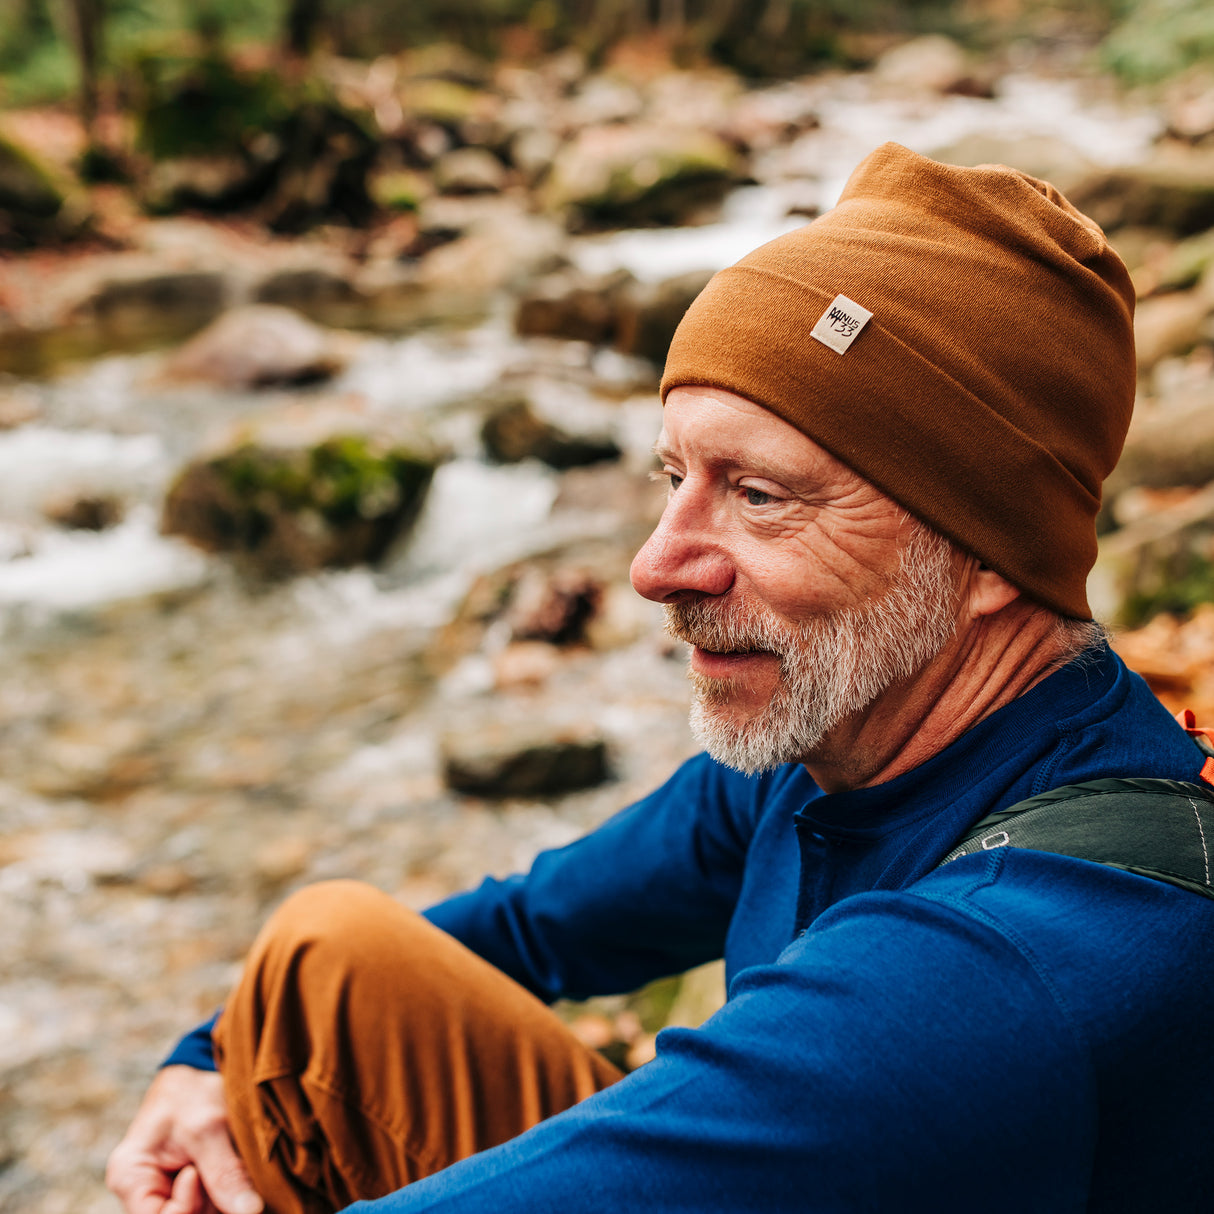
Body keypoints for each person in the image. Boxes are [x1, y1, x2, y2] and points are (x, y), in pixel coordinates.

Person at [107, 142, 1214, 1214]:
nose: (652, 566)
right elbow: (531, 923)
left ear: (986, 555)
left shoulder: (1000, 969)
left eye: (759, 495)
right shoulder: (836, 742)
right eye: (674, 474)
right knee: (329, 960)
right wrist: (205, 1056)